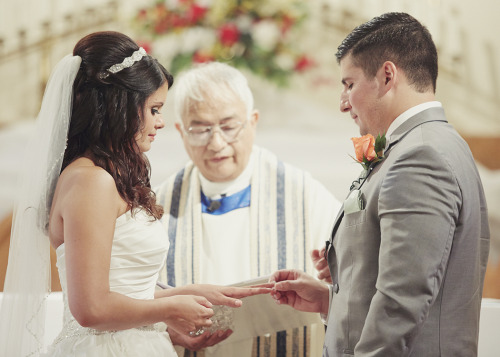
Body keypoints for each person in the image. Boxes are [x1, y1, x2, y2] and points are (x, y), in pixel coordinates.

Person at [0, 31, 269, 357]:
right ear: (122, 107)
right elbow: (91, 310)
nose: (161, 122)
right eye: (155, 109)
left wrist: (186, 294)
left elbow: (121, 291)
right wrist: (171, 310)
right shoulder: (91, 181)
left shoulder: (103, 176)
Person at [270, 12, 490, 357]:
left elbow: (402, 301)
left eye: (349, 84)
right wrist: (331, 298)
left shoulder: (421, 157)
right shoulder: (429, 144)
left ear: (387, 76)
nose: (344, 103)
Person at [154, 61, 341, 356]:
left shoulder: (305, 197)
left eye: (228, 127)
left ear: (253, 121)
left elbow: (348, 287)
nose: (216, 143)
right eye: (200, 129)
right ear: (180, 130)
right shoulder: (157, 207)